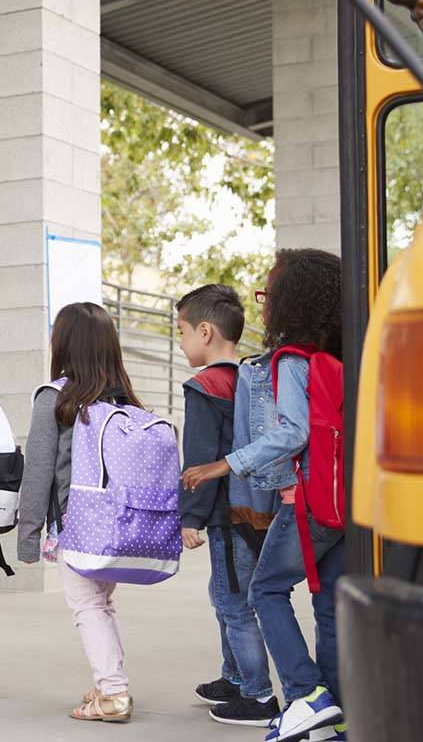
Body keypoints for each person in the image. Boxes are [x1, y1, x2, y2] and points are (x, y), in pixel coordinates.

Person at [182, 249, 347, 742]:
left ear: (291, 304)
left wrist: (224, 464)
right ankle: (334, 710)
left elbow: (293, 432)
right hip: (347, 501)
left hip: (311, 502)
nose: (264, 305)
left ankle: (306, 693)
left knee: (266, 590)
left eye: (269, 295)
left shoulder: (291, 361)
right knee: (329, 603)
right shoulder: (341, 357)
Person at [16, 302, 145, 723]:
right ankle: (110, 682)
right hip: (118, 522)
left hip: (77, 523)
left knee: (87, 606)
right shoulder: (124, 400)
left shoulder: (55, 398)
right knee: (101, 604)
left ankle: (113, 692)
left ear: (64, 344)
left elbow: (37, 472)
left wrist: (28, 535)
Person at [175, 285, 280, 726]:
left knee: (235, 603)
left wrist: (190, 518)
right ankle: (233, 677)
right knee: (227, 596)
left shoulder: (205, 386)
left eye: (180, 332)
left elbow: (198, 457)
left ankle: (257, 696)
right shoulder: (250, 380)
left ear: (204, 332)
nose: (180, 342)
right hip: (258, 508)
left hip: (225, 513)